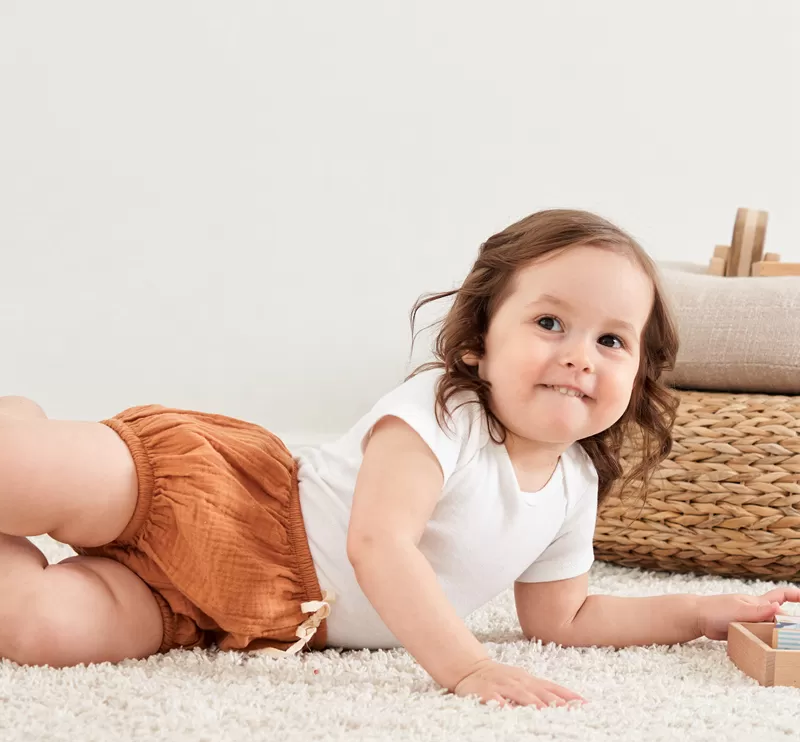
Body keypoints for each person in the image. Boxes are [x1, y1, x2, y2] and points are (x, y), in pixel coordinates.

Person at [1, 209, 796, 709]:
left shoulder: (572, 484)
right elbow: (377, 543)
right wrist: (466, 668)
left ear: (639, 372)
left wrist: (700, 612)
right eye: (551, 322)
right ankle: (21, 422)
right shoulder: (440, 413)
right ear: (482, 343)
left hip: (235, 610)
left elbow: (566, 617)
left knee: (35, 627)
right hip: (231, 503)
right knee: (19, 471)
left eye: (612, 340)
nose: (580, 356)